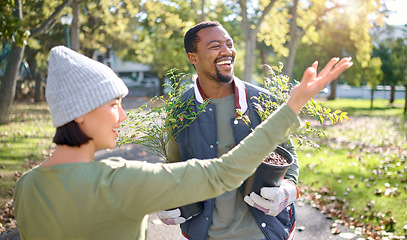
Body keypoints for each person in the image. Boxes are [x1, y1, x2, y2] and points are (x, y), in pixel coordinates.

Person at [12, 45, 351, 240]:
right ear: (80, 114)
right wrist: (293, 105)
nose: (123, 116)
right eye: (114, 105)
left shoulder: (25, 188)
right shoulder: (120, 181)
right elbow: (222, 173)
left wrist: (288, 190)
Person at [158, 22, 349, 240]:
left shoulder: (262, 101)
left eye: (229, 44)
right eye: (215, 46)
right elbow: (173, 164)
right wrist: (166, 197)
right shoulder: (180, 110)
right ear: (193, 57)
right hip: (205, 233)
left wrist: (288, 190)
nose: (227, 51)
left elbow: (287, 154)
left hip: (262, 232)